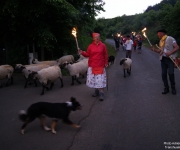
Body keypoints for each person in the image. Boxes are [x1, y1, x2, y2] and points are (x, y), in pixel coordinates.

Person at [78, 33, 109, 101]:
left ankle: (101, 93)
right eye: (96, 37)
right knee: (95, 80)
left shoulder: (103, 45)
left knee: (100, 80)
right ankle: (96, 91)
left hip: (100, 65)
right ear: (93, 38)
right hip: (92, 65)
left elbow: (105, 54)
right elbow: (87, 54)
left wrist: (106, 62)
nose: (97, 38)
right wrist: (82, 52)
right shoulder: (90, 46)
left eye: (98, 37)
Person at [151, 29, 179, 95]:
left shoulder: (170, 38)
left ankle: (173, 88)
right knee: (163, 74)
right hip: (163, 59)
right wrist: (154, 49)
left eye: (158, 33)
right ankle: (166, 88)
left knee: (171, 73)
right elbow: (159, 51)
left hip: (170, 59)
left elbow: (177, 47)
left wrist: (170, 53)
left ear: (162, 33)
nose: (157, 34)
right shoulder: (161, 41)